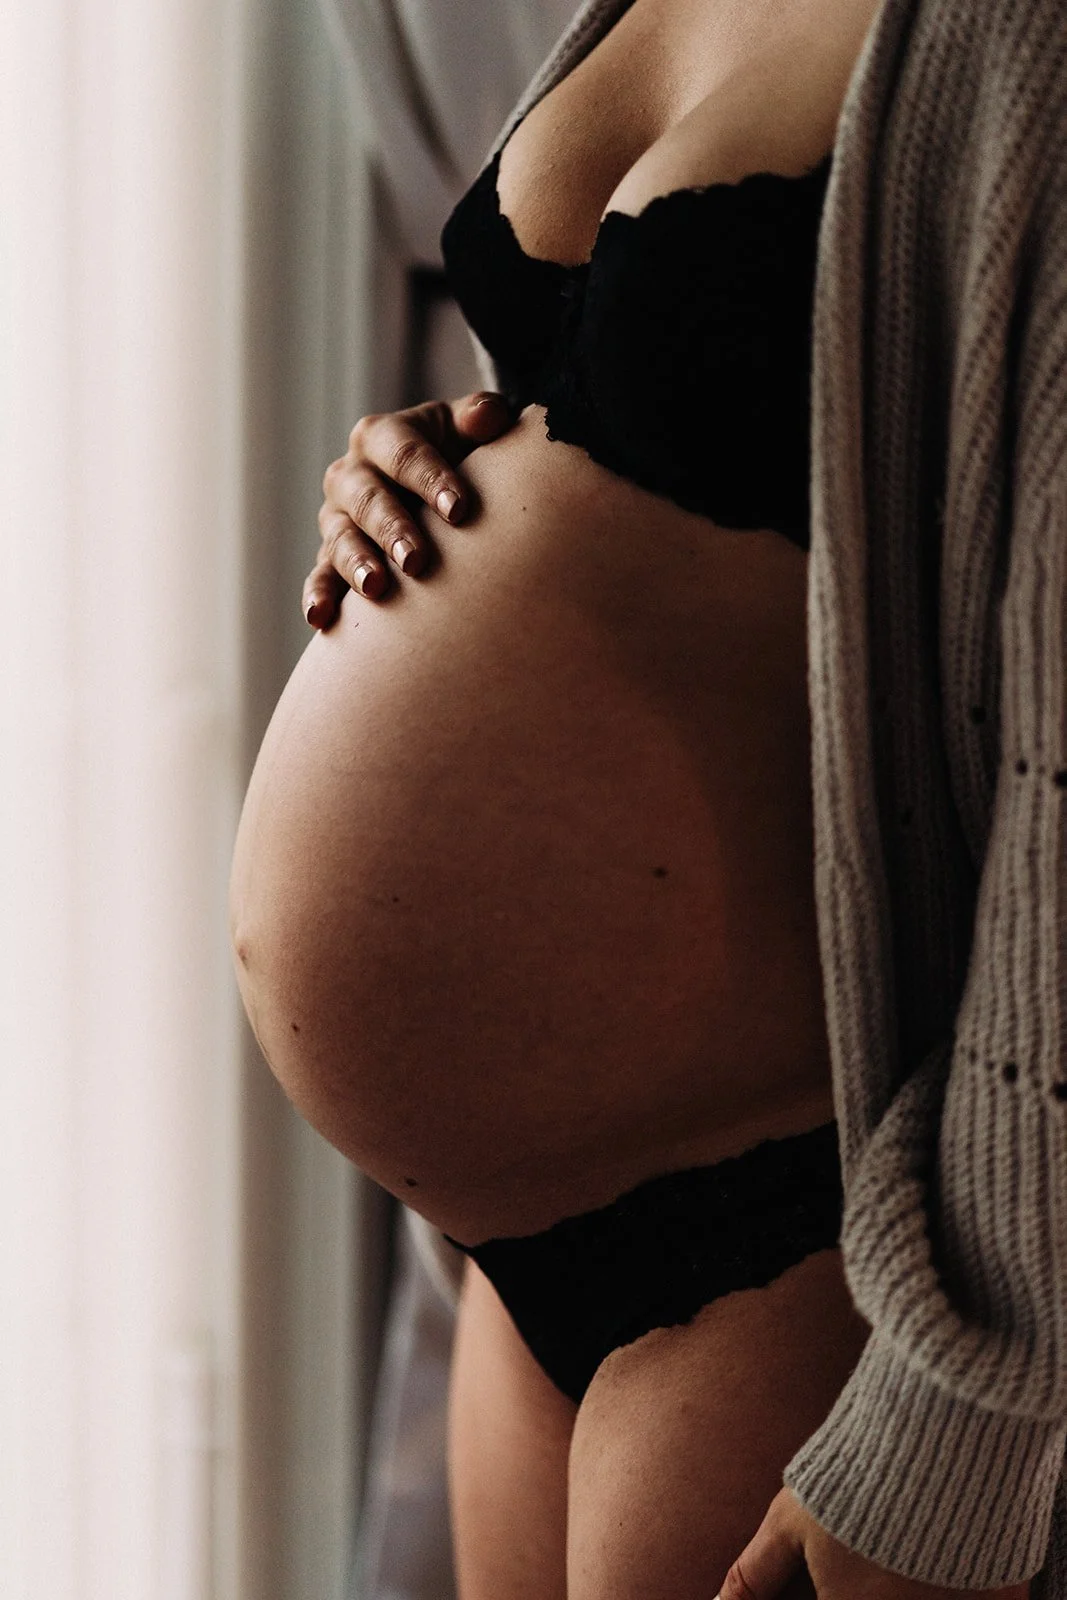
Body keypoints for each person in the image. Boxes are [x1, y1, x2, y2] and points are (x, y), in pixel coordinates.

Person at [230, 0, 1067, 1595]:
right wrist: (431, 458)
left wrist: (950, 1422)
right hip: (530, 1243)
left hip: (806, 1228)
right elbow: (666, 416)